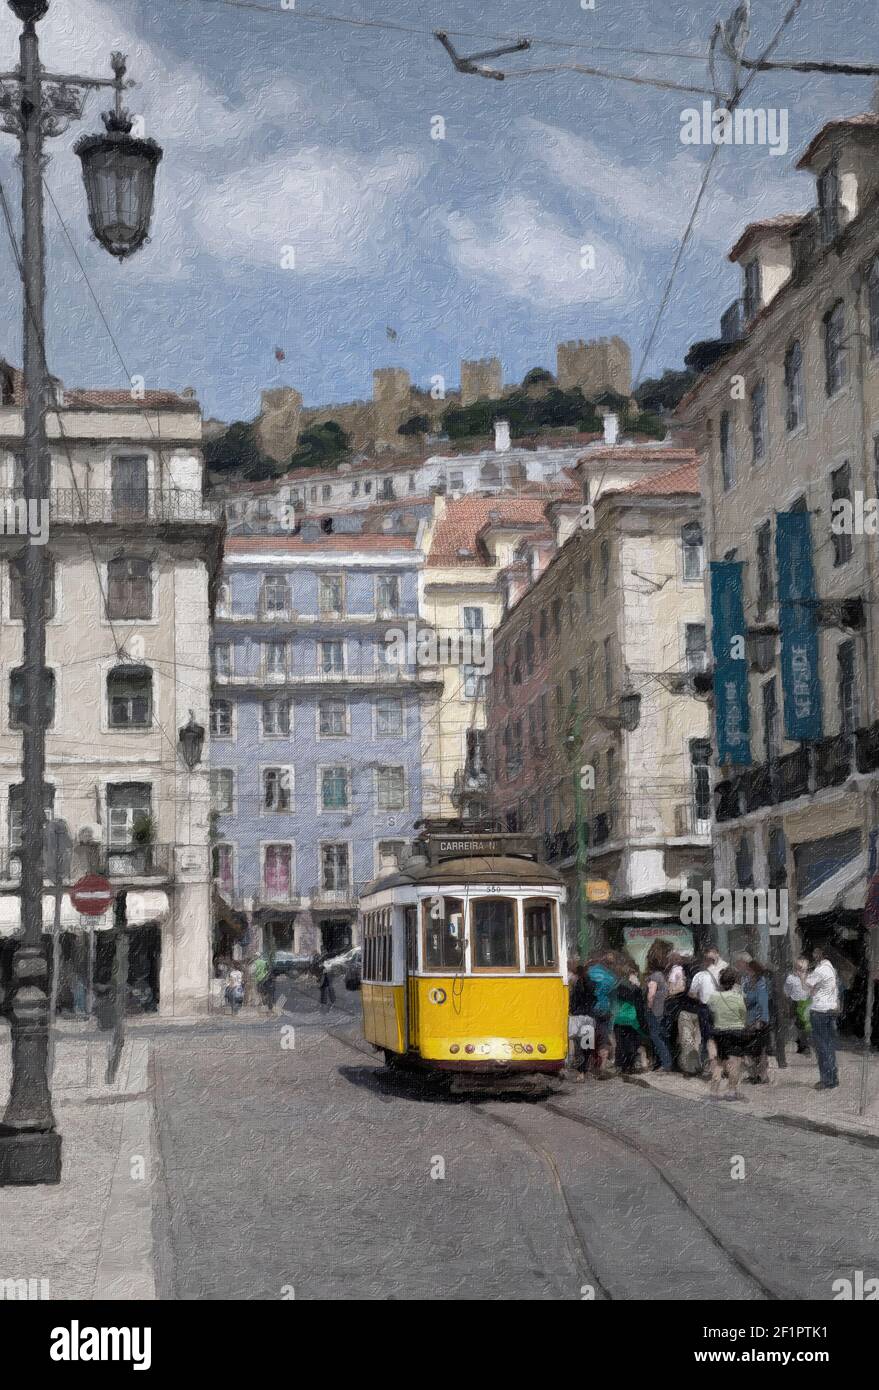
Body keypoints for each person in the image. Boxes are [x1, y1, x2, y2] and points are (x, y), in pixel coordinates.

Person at [707, 967, 749, 1101]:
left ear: (720, 981)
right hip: (736, 1032)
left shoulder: (714, 997)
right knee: (734, 1063)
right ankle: (731, 1090)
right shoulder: (738, 997)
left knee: (719, 1061)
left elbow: (711, 1011)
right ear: (734, 982)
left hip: (719, 1032)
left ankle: (714, 1089)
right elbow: (743, 1015)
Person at [806, 946, 839, 1090]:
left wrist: (803, 976)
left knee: (821, 1046)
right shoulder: (831, 969)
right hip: (830, 1009)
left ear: (820, 954)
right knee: (829, 1045)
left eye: (815, 952)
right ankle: (833, 1077)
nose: (813, 954)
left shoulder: (820, 970)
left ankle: (826, 1079)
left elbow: (806, 985)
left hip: (819, 1010)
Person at [612, 954, 647, 1075]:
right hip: (630, 1019)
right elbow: (638, 1004)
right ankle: (629, 1066)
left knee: (621, 1043)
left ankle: (623, 1066)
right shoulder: (632, 987)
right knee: (631, 1043)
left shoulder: (617, 984)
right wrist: (636, 987)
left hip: (619, 1019)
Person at [585, 953, 618, 1077]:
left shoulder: (589, 973)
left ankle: (588, 1064)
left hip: (590, 1008)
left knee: (588, 1035)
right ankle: (604, 1063)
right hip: (604, 1008)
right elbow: (613, 997)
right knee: (604, 1035)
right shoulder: (611, 977)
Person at [740, 957, 772, 1084]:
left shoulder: (761, 983)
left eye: (749, 969)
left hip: (758, 1022)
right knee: (749, 1050)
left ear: (754, 971)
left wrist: (761, 1020)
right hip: (748, 1020)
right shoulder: (747, 983)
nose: (747, 971)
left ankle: (762, 1076)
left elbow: (763, 1003)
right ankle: (753, 1074)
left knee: (760, 1051)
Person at [644, 939, 673, 1072]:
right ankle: (665, 1062)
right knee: (661, 1037)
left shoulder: (654, 976)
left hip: (654, 1012)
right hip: (661, 1011)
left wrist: (649, 1007)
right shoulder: (661, 975)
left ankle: (665, 1063)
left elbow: (651, 994)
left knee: (656, 1037)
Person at [688, 951, 719, 1071]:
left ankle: (708, 1063)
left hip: (705, 1008)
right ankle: (721, 1063)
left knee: (707, 1036)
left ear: (705, 961)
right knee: (719, 1035)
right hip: (719, 1008)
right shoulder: (721, 973)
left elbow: (691, 993)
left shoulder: (700, 975)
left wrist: (700, 996)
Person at [568, 962, 595, 1081]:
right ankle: (585, 1070)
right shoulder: (591, 983)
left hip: (578, 1017)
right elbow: (593, 999)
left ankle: (580, 1072)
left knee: (578, 1045)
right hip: (589, 1017)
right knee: (587, 1046)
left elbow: (573, 1002)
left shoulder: (576, 985)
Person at [784, 956, 811, 1055]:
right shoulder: (791, 978)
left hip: (806, 1002)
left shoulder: (809, 977)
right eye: (798, 967)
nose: (800, 969)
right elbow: (786, 991)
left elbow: (810, 990)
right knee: (798, 1025)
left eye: (802, 968)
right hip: (795, 1002)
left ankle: (804, 1045)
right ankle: (802, 1045)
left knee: (804, 1025)